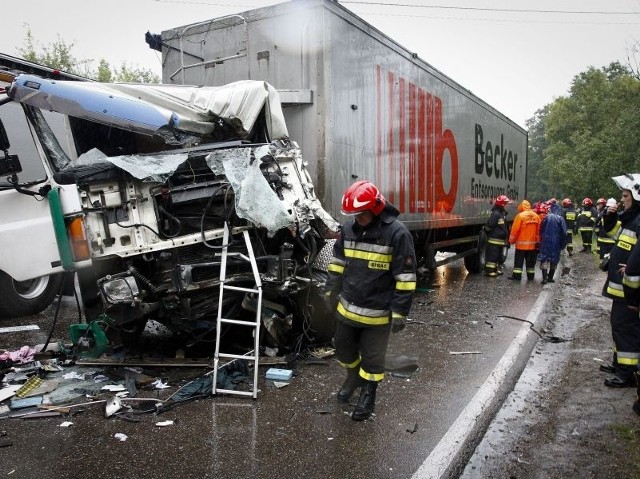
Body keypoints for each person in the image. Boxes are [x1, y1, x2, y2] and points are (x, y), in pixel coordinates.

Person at [325, 180, 417, 421]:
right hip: (347, 308)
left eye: (360, 214)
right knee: (343, 349)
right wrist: (330, 291)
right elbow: (337, 263)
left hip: (377, 314)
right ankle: (354, 376)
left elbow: (405, 278)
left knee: (373, 358)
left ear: (375, 209)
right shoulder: (349, 229)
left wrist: (399, 312)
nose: (357, 219)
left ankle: (368, 392)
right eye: (354, 214)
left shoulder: (397, 234)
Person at [600, 174, 640, 388]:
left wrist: (632, 270)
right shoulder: (631, 219)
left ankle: (628, 373)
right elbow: (616, 235)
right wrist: (609, 217)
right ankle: (619, 364)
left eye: (625, 195)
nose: (622, 199)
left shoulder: (639, 221)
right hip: (623, 290)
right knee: (619, 326)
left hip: (630, 291)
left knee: (626, 329)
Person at [508, 200, 541, 281]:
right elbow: (538, 231)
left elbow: (515, 230)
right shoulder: (536, 216)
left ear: (521, 207)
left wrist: (511, 241)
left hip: (521, 246)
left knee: (518, 263)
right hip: (532, 246)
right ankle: (530, 277)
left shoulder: (520, 216)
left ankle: (517, 277)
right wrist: (537, 242)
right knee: (530, 264)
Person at [538, 202, 567, 284]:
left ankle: (544, 279)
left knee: (544, 259)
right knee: (554, 260)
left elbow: (540, 229)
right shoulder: (560, 219)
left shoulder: (546, 217)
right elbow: (564, 233)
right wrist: (563, 244)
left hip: (545, 241)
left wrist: (541, 240)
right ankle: (550, 277)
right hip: (556, 242)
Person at [484, 195, 510, 277]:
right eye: (506, 203)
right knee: (492, 256)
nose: (507, 205)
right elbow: (490, 225)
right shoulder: (496, 214)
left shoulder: (501, 214)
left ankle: (495, 269)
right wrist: (487, 232)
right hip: (494, 240)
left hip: (499, 240)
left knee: (497, 256)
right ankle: (489, 271)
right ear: (502, 205)